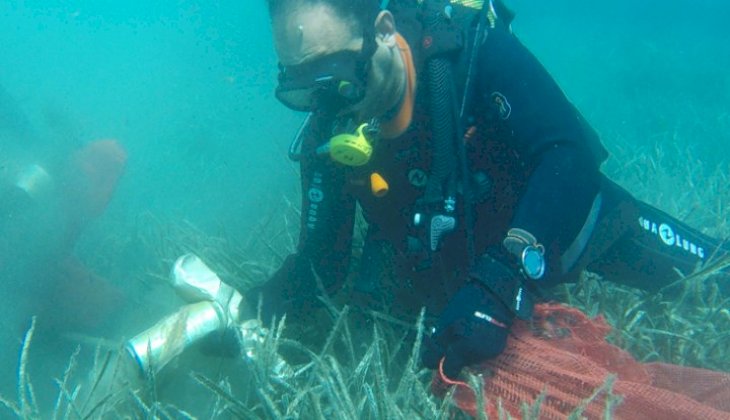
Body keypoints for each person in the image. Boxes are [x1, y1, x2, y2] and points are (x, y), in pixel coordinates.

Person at [247, 0, 728, 379]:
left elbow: (569, 155)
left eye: (341, 80)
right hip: (449, 264)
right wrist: (241, 308)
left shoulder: (471, 54)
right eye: (304, 89)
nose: (329, 107)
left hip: (559, 223)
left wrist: (504, 277)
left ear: (383, 31)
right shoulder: (328, 127)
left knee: (717, 280)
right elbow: (321, 266)